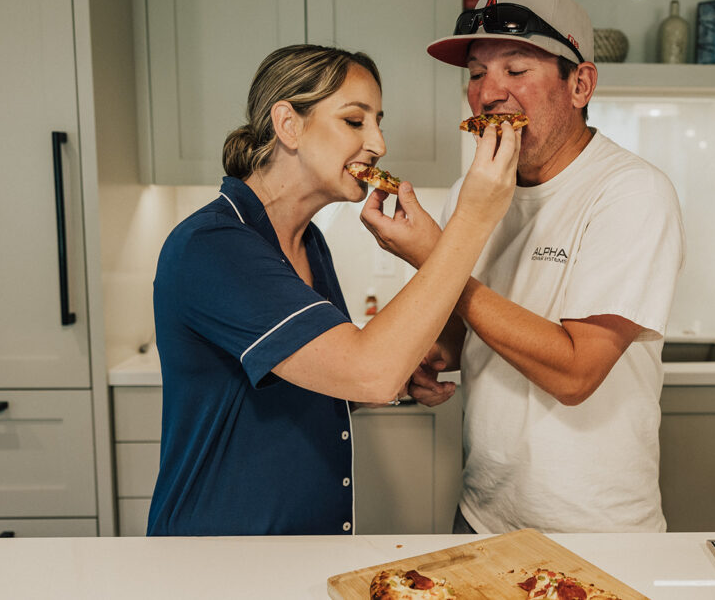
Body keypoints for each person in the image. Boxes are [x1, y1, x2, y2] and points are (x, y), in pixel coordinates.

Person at [147, 44, 519, 536]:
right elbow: (368, 373)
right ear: (288, 124)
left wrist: (403, 371)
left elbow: (328, 373)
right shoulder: (214, 246)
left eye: (378, 121)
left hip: (302, 550)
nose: (379, 143)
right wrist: (473, 218)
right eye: (354, 121)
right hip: (222, 555)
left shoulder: (307, 241)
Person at [368, 0, 685, 534]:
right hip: (482, 513)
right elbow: (474, 331)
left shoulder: (631, 191)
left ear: (580, 83)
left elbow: (574, 372)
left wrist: (436, 258)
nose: (490, 93)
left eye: (516, 71)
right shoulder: (474, 192)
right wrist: (435, 353)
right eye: (475, 74)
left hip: (594, 529)